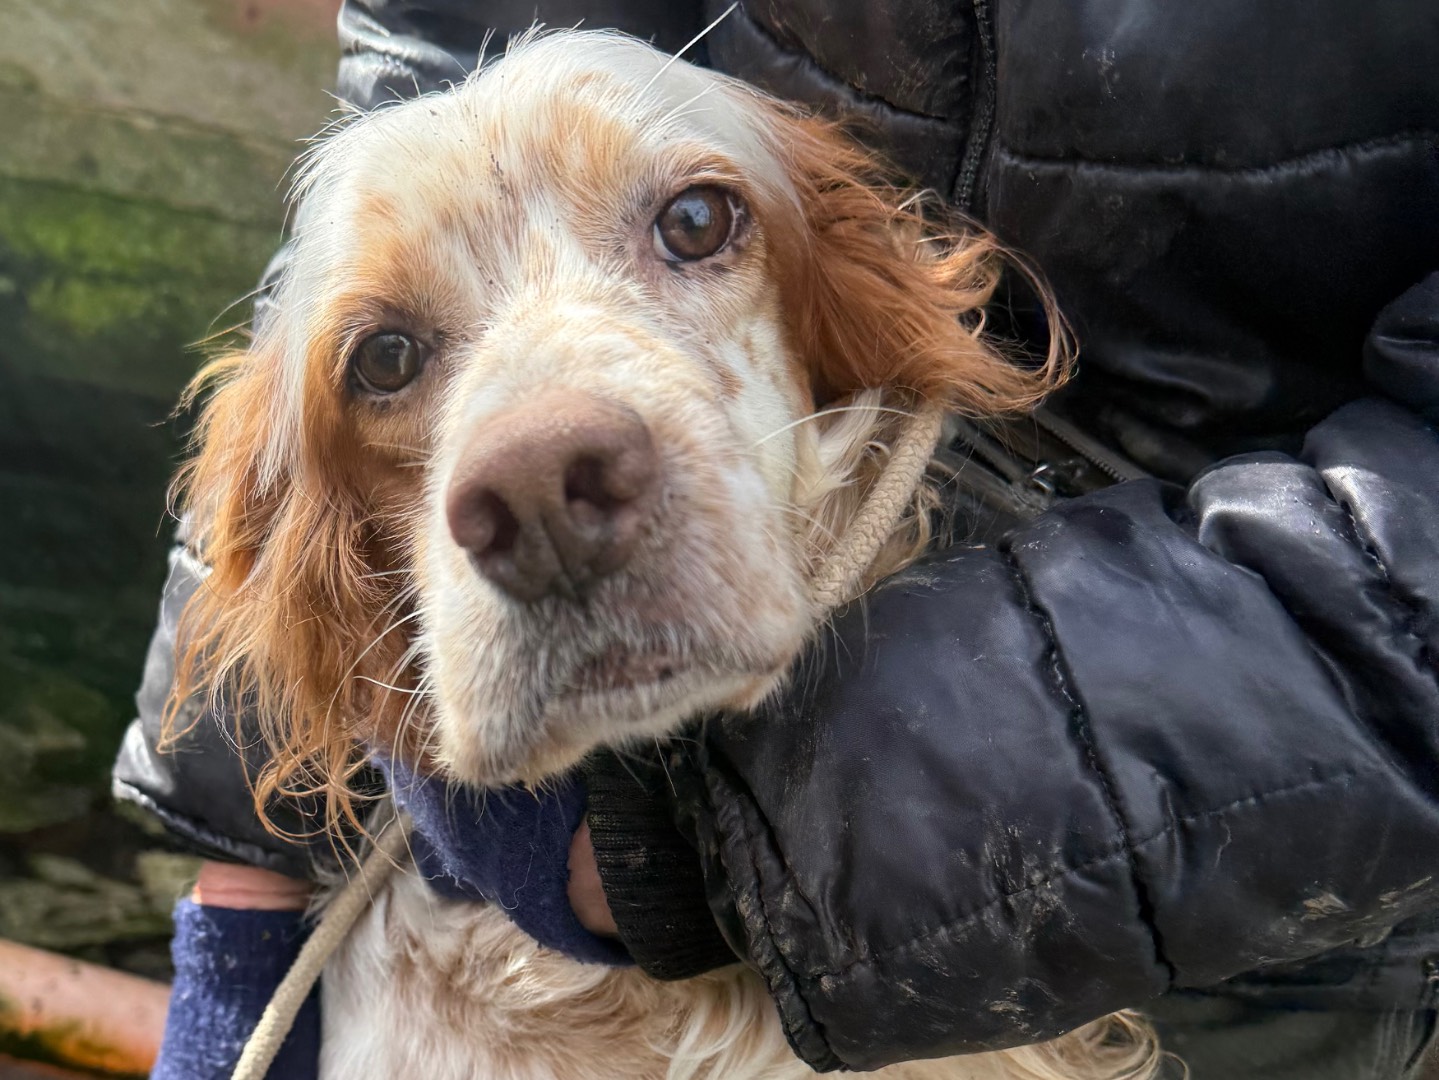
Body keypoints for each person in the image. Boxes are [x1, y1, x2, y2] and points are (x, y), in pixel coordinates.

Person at [114, 1, 1439, 1077]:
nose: (530, 454)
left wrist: (702, 854)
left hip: (1264, 873)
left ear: (842, 316)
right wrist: (241, 898)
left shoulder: (866, 291)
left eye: (693, 228)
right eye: (390, 359)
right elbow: (429, 68)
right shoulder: (322, 507)